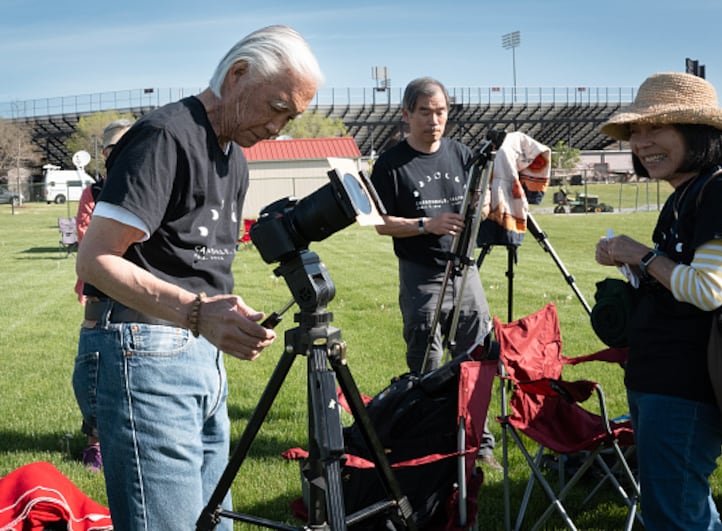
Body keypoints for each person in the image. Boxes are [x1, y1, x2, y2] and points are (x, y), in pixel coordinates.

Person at [72, 25, 322, 531]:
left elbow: (190, 262)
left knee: (212, 523)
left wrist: (221, 310)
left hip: (198, 355)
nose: (280, 126)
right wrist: (198, 312)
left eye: (291, 117)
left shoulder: (236, 158)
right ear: (236, 75)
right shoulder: (166, 135)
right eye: (277, 108)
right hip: (143, 353)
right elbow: (95, 259)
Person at [594, 72, 722, 530]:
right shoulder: (684, 194)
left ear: (697, 132)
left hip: (688, 385)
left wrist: (642, 255)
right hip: (661, 377)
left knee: (675, 516)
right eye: (635, 131)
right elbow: (677, 282)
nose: (641, 142)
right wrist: (629, 263)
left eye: (656, 128)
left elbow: (709, 290)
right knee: (677, 508)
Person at [369, 77, 499, 471]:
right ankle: (435, 444)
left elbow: (482, 195)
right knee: (427, 362)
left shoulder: (461, 154)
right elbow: (380, 223)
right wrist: (427, 224)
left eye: (440, 111)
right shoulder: (391, 164)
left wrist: (487, 201)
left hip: (466, 270)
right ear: (407, 115)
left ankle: (481, 442)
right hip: (421, 276)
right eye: (424, 112)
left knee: (476, 356)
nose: (433, 119)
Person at [72, 118, 133, 473]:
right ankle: (95, 442)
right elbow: (87, 238)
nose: (120, 155)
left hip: (141, 290)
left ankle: (128, 434)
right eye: (114, 150)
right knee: (91, 367)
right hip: (99, 288)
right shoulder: (93, 193)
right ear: (107, 154)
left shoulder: (150, 186)